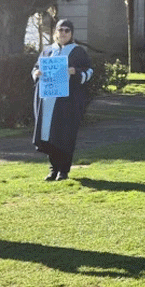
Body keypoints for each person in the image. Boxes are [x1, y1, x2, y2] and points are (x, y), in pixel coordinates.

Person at [31, 19, 93, 181]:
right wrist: (36, 73)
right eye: (60, 30)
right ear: (55, 32)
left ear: (71, 33)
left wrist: (76, 71)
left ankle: (63, 170)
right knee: (48, 135)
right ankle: (53, 169)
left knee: (63, 135)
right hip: (47, 100)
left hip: (66, 102)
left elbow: (90, 71)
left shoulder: (77, 51)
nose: (63, 33)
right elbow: (36, 67)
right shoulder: (47, 51)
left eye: (67, 30)